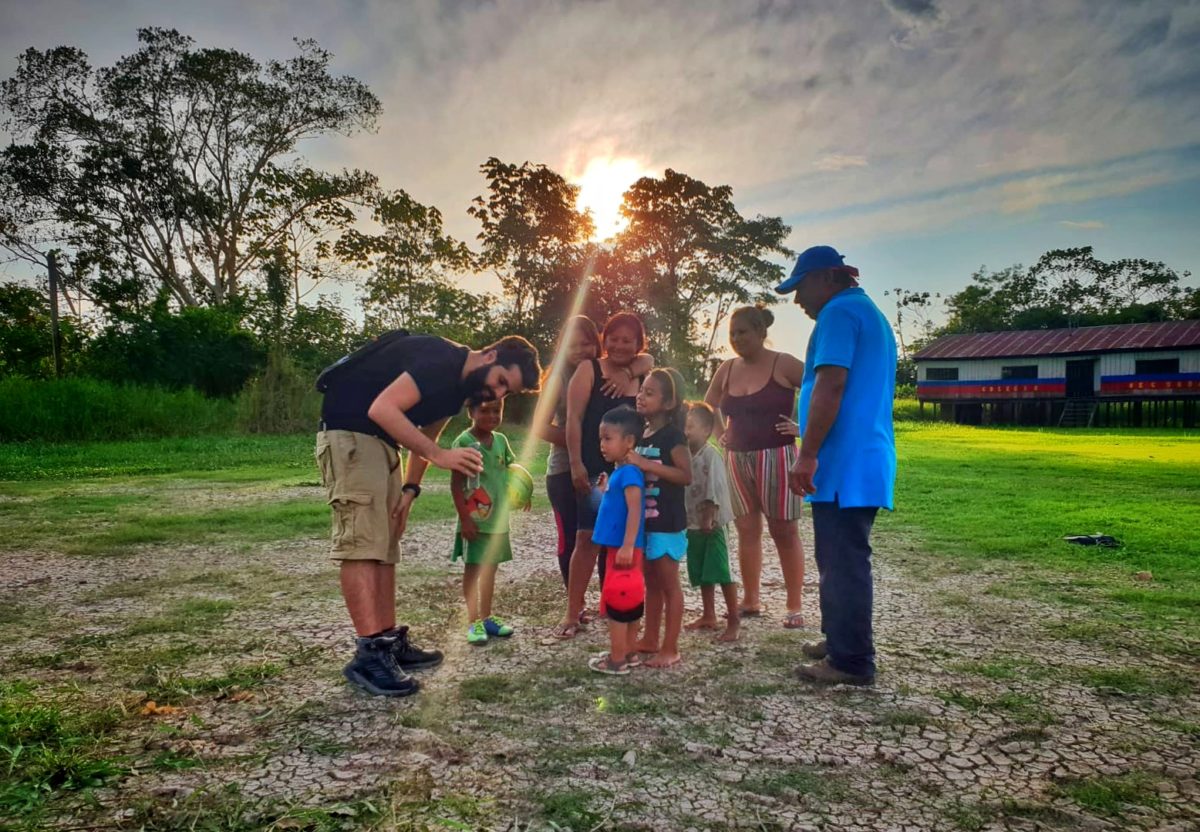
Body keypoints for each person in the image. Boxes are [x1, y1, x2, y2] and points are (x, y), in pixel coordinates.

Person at [315, 331, 541, 696]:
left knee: (385, 544)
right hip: (351, 435)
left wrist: (410, 489)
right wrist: (441, 458)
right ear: (490, 355)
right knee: (362, 544)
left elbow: (426, 437)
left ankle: (389, 641)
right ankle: (370, 653)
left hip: (380, 442)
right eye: (501, 382)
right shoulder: (441, 361)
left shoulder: (456, 390)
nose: (497, 395)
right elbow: (383, 409)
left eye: (507, 392)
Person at [781, 245, 897, 686]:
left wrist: (806, 453)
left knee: (844, 559)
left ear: (829, 277)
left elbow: (832, 382)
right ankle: (839, 639)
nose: (798, 300)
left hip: (847, 462)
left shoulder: (838, 313)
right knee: (834, 555)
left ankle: (851, 661)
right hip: (855, 458)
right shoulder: (866, 312)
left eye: (801, 287)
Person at [703, 305, 807, 628]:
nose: (736, 339)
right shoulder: (728, 369)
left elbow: (823, 388)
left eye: (742, 332)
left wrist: (802, 426)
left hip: (777, 456)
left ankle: (794, 605)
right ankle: (751, 600)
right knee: (747, 530)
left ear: (761, 332)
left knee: (784, 530)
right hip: (738, 459)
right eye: (732, 333)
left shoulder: (783, 363)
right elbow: (709, 405)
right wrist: (722, 436)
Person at [535, 315, 652, 588]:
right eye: (571, 345)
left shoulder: (614, 371)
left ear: (596, 343)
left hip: (604, 464)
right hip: (566, 465)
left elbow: (648, 359)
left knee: (605, 533)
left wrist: (630, 372)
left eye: (586, 344)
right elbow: (540, 427)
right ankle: (574, 602)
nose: (579, 351)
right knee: (576, 537)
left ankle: (607, 597)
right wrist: (587, 445)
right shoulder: (563, 378)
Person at [553, 312, 649, 640]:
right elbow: (574, 419)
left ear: (639, 343)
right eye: (614, 338)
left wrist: (634, 370)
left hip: (633, 473)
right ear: (603, 339)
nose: (620, 345)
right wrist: (577, 463)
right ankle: (572, 611)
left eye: (628, 340)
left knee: (628, 541)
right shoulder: (589, 369)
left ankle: (621, 607)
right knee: (586, 539)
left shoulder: (644, 372)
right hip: (595, 472)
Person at [625, 367, 691, 668]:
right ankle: (651, 638)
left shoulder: (673, 436)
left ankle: (671, 647)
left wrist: (644, 463)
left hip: (667, 522)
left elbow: (685, 475)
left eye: (649, 393)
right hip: (646, 523)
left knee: (668, 584)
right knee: (650, 583)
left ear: (668, 403)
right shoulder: (642, 432)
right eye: (642, 390)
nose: (641, 396)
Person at [450, 398, 527, 645]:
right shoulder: (463, 443)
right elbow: (456, 484)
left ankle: (487, 617)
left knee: (491, 568)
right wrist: (465, 519)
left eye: (497, 410)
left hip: (497, 520)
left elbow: (510, 471)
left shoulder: (501, 441)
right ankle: (473, 622)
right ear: (470, 411)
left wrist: (523, 494)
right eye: (484, 410)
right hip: (475, 519)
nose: (492, 415)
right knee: (473, 568)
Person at [587, 405, 647, 676]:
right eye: (601, 438)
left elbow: (635, 509)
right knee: (630, 599)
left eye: (608, 438)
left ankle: (617, 659)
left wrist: (627, 544)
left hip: (625, 549)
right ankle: (629, 651)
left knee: (619, 602)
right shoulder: (620, 472)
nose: (602, 444)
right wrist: (604, 488)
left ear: (629, 442)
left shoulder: (631, 473)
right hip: (620, 547)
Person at [681, 402, 739, 643]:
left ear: (706, 431)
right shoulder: (685, 455)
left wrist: (709, 516)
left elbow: (714, 488)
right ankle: (708, 615)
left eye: (690, 427)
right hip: (693, 524)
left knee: (721, 571)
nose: (685, 431)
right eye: (684, 426)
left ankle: (734, 620)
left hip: (712, 524)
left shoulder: (711, 454)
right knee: (703, 571)